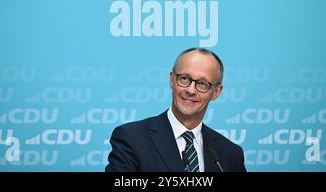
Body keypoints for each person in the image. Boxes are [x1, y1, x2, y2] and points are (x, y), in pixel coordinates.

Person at [105, 47, 246, 172]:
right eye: (184, 79)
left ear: (216, 92)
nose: (190, 90)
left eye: (202, 84)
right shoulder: (131, 138)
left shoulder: (230, 153)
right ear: (172, 80)